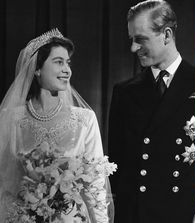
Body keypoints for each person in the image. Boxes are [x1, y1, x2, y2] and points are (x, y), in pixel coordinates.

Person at [0, 29, 114, 222]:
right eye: (58, 62)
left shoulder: (84, 120)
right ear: (37, 68)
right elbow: (5, 182)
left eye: (68, 63)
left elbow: (96, 185)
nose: (67, 70)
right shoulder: (11, 119)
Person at [108, 0, 195, 222]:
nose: (133, 48)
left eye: (140, 40)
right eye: (132, 40)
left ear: (166, 35)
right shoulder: (125, 92)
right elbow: (117, 170)